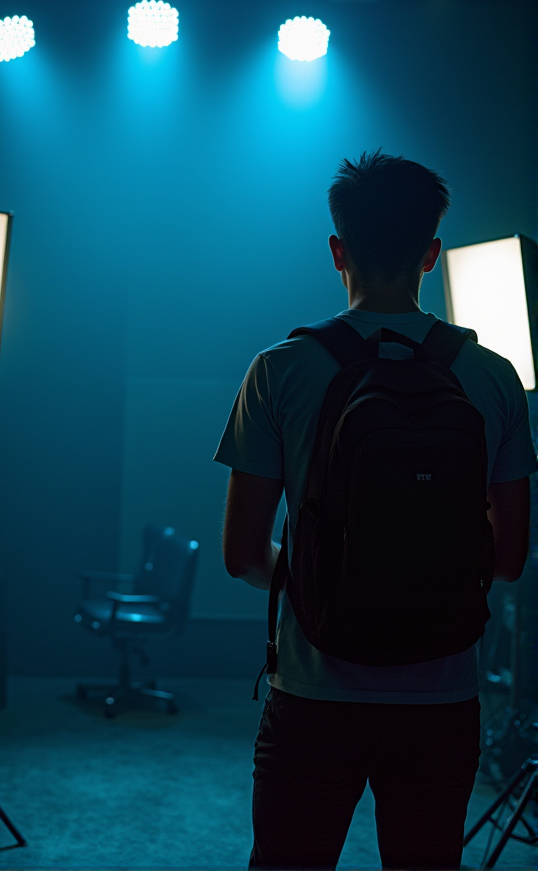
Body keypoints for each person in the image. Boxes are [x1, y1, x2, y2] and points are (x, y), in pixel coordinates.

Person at [214, 151, 535, 871]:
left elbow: (242, 555)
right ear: (431, 254)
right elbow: (508, 560)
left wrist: (333, 581)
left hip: (314, 690)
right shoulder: (493, 376)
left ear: (337, 250)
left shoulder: (280, 371)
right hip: (442, 694)